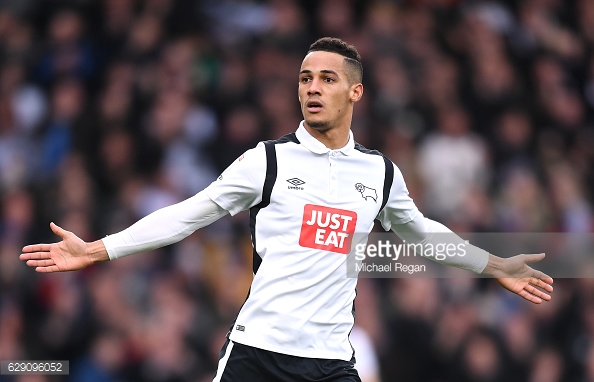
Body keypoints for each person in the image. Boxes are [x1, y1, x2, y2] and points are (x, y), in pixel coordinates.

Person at [20, 37, 553, 382]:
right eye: (305, 78)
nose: (313, 88)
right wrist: (99, 249)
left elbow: (425, 234)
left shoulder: (380, 173)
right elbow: (189, 214)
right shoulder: (267, 161)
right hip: (258, 354)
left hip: (331, 363)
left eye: (326, 78)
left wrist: (494, 264)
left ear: (356, 92)